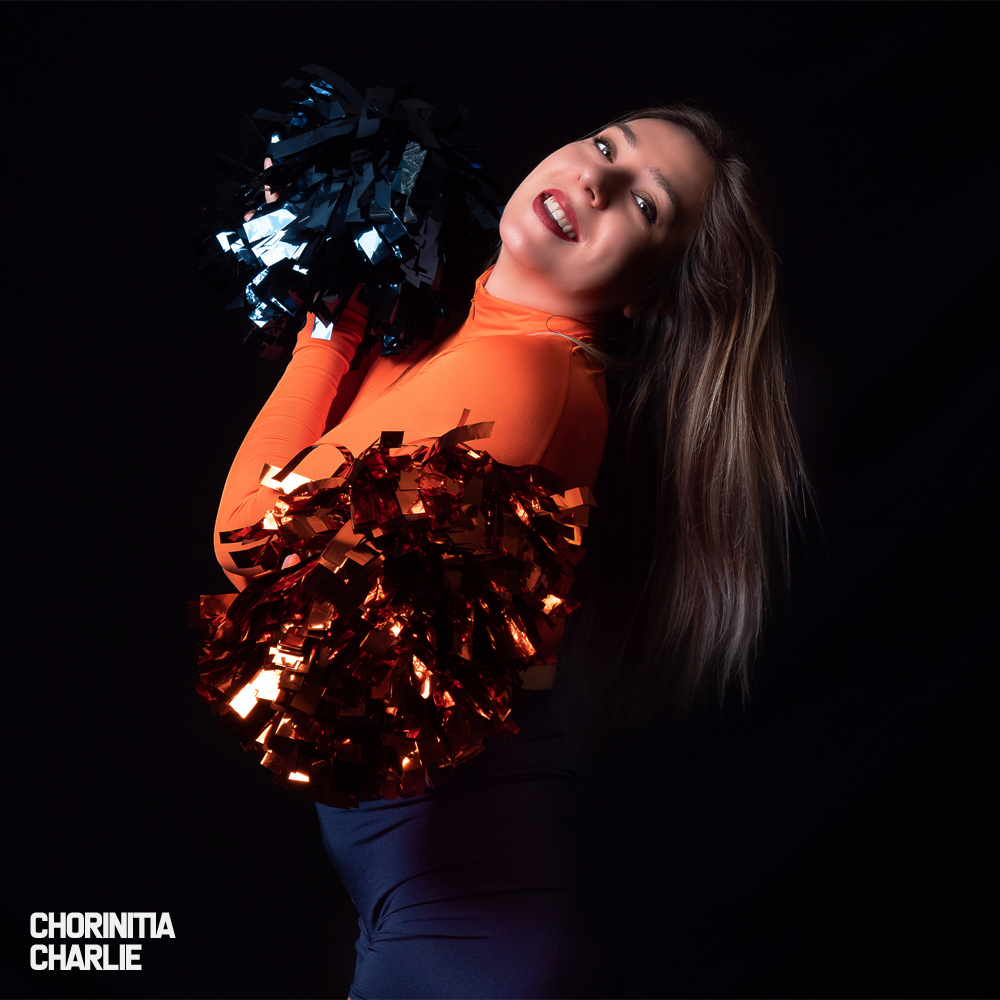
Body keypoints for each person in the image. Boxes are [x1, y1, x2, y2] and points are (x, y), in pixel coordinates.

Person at [212, 105, 806, 999]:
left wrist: (326, 325)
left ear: (648, 294)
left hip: (466, 944)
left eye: (644, 205)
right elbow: (336, 443)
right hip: (440, 922)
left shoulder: (524, 381)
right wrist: (336, 239)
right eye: (605, 146)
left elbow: (254, 540)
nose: (597, 181)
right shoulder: (482, 333)